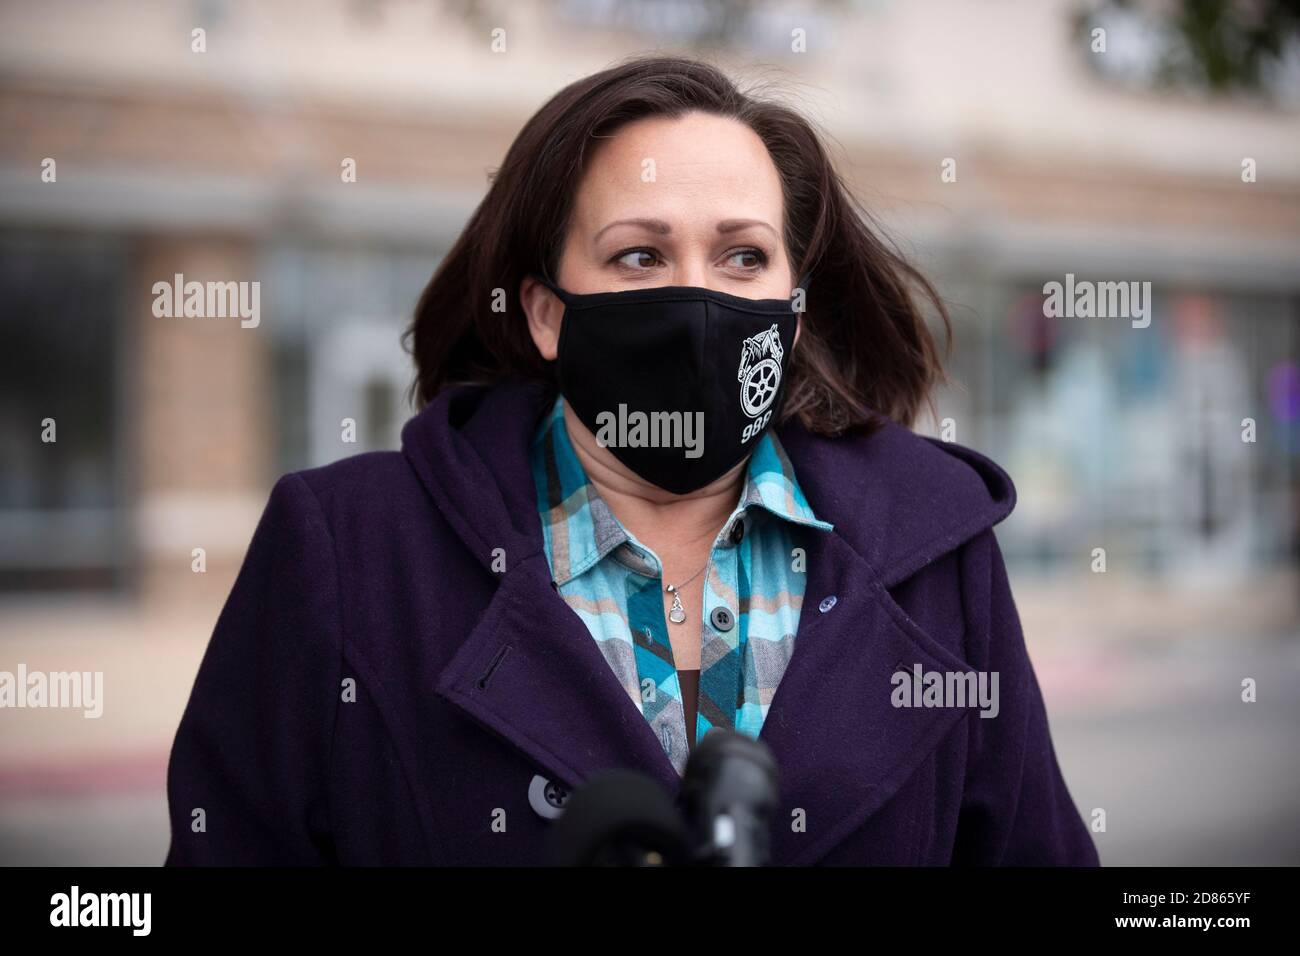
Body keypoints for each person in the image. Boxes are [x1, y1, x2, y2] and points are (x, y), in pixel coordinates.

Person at [164, 55, 1099, 866]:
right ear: (544, 312)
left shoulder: (937, 549)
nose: (696, 297)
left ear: (794, 308)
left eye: (742, 258)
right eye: (641, 256)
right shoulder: (350, 551)